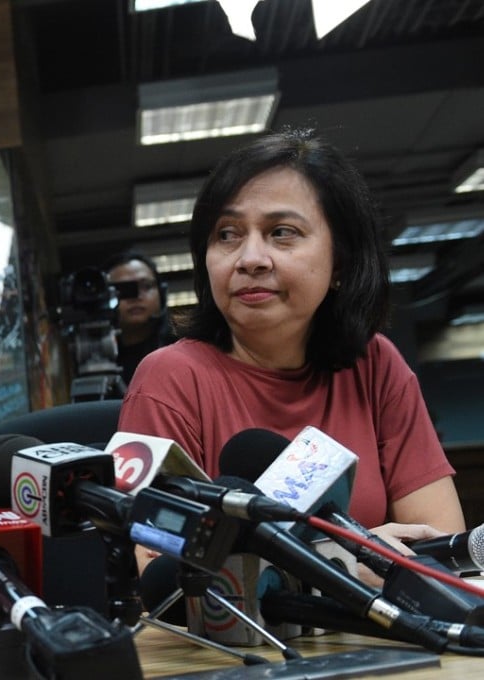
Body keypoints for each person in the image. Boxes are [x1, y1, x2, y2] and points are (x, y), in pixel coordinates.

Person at [118, 129, 465, 566]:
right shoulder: (169, 377)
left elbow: (442, 550)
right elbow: (159, 574)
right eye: (227, 234)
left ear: (339, 262)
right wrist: (349, 561)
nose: (250, 258)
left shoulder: (375, 364)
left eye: (281, 232)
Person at [104, 249, 175, 387]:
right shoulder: (94, 354)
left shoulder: (184, 345)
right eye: (124, 290)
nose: (136, 296)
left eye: (146, 286)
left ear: (161, 292)